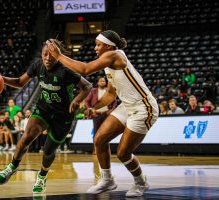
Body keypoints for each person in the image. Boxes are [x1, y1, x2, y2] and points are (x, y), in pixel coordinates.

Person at [47, 30, 159, 197]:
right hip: (127, 107)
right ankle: (107, 180)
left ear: (108, 46)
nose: (95, 48)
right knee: (99, 139)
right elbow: (111, 94)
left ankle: (141, 182)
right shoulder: (108, 64)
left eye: (98, 45)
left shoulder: (115, 55)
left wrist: (59, 56)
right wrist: (95, 108)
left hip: (144, 108)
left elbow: (85, 69)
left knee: (123, 153)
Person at [0, 39, 92, 194]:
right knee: (26, 137)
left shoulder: (66, 70)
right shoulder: (37, 65)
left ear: (57, 55)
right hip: (43, 109)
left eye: (51, 55)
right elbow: (20, 82)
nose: (47, 58)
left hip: (63, 116)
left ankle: (42, 176)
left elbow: (87, 86)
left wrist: (77, 100)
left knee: (48, 151)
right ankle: (12, 167)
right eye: (44, 54)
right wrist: (2, 78)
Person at [84, 77, 117, 154]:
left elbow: (114, 101)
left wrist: (112, 109)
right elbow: (86, 101)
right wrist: (90, 109)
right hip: (96, 114)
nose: (102, 82)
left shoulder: (108, 91)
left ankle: (105, 149)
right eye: (101, 81)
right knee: (96, 132)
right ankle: (95, 149)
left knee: (106, 132)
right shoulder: (93, 91)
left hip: (106, 114)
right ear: (98, 83)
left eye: (104, 81)